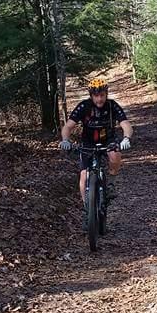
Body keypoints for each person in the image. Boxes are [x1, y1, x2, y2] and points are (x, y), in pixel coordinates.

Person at [59, 78, 133, 221]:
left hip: (108, 140)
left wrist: (126, 138)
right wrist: (65, 140)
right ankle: (88, 209)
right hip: (88, 142)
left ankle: (111, 182)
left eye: (102, 95)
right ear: (91, 95)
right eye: (96, 95)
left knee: (115, 155)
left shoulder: (112, 106)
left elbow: (125, 124)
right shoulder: (84, 106)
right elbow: (68, 126)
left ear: (106, 94)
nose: (99, 99)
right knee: (84, 176)